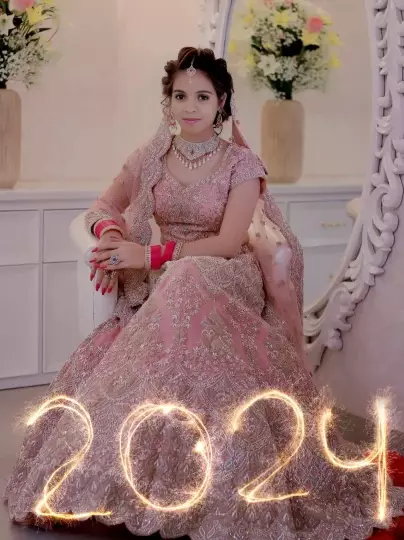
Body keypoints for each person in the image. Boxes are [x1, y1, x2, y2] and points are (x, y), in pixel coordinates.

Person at [3, 47, 404, 540]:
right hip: (169, 276)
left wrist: (146, 255)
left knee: (188, 276)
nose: (189, 107)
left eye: (202, 97)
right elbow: (103, 206)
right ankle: (145, 478)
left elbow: (230, 241)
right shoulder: (151, 158)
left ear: (221, 102)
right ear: (167, 102)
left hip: (225, 273)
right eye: (179, 96)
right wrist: (111, 240)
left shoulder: (241, 164)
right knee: (180, 280)